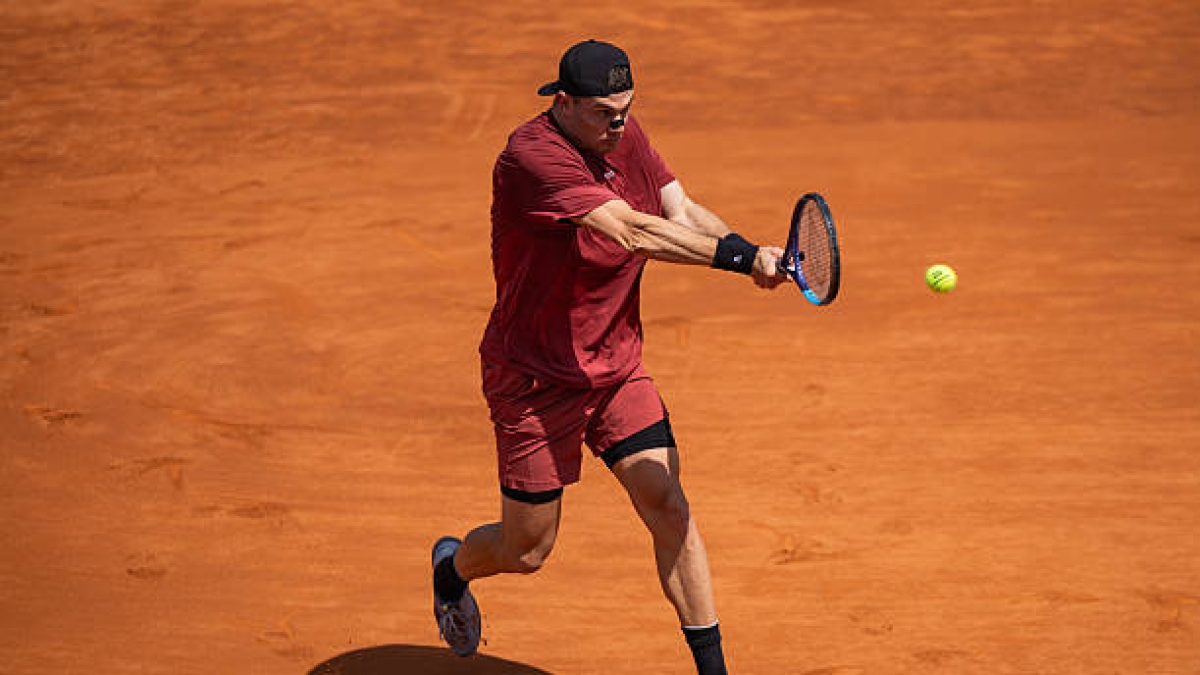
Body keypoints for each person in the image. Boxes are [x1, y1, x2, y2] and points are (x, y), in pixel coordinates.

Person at [431, 39, 789, 675]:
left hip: (615, 366)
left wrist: (750, 248)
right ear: (563, 103)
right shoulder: (531, 157)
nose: (618, 124)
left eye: (626, 110)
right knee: (528, 548)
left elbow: (679, 209)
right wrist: (739, 262)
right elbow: (633, 229)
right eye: (603, 113)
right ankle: (452, 569)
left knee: (667, 501)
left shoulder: (622, 136)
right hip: (535, 381)